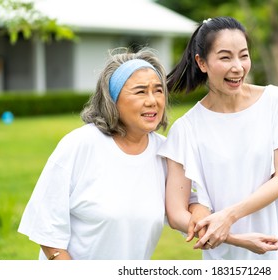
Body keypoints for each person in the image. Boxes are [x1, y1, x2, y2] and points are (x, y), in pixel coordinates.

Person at [158, 16, 278, 260]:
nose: (238, 66)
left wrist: (228, 216)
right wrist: (234, 238)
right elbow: (176, 213)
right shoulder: (186, 129)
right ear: (202, 62)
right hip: (225, 258)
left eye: (244, 55)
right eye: (225, 57)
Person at [18, 47, 169, 260]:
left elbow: (188, 210)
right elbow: (47, 231)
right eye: (141, 91)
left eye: (158, 90)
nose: (153, 100)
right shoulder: (79, 145)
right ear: (113, 99)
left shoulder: (166, 153)